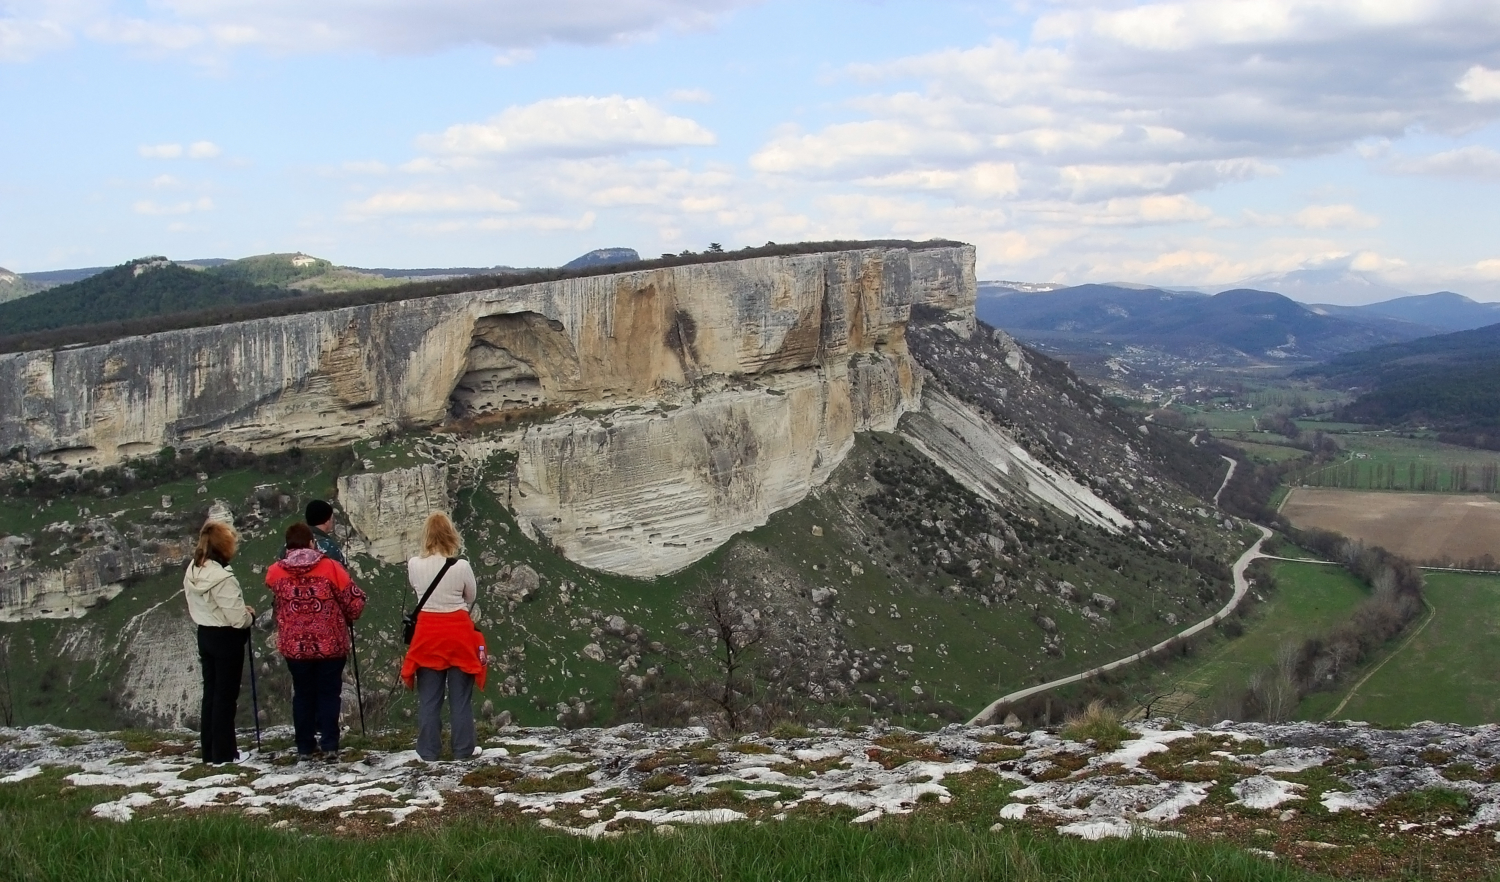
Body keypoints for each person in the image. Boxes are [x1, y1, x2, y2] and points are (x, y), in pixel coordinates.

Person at [265, 522, 367, 760]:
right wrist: (347, 615)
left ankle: (304, 746)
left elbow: (274, 593)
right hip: (330, 645)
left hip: (295, 647)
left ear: (287, 546)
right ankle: (330, 744)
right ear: (312, 542)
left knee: (302, 694)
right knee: (329, 693)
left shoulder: (275, 571)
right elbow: (354, 602)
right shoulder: (330, 568)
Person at [400, 511, 486, 762]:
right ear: (451, 534)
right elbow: (471, 596)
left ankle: (428, 751)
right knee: (460, 699)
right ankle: (463, 750)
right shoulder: (461, 566)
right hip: (458, 634)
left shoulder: (414, 564)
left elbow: (417, 591)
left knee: (429, 699)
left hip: (427, 635)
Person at [184, 519, 254, 765]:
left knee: (211, 695)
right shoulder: (222, 578)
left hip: (205, 632)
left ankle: (210, 751)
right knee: (226, 697)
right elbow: (237, 620)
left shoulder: (194, 570)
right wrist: (250, 616)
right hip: (226, 639)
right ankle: (225, 754)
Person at [304, 499, 346, 566]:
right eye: (332, 519)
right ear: (327, 522)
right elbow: (340, 572)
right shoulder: (328, 547)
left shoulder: (292, 542)